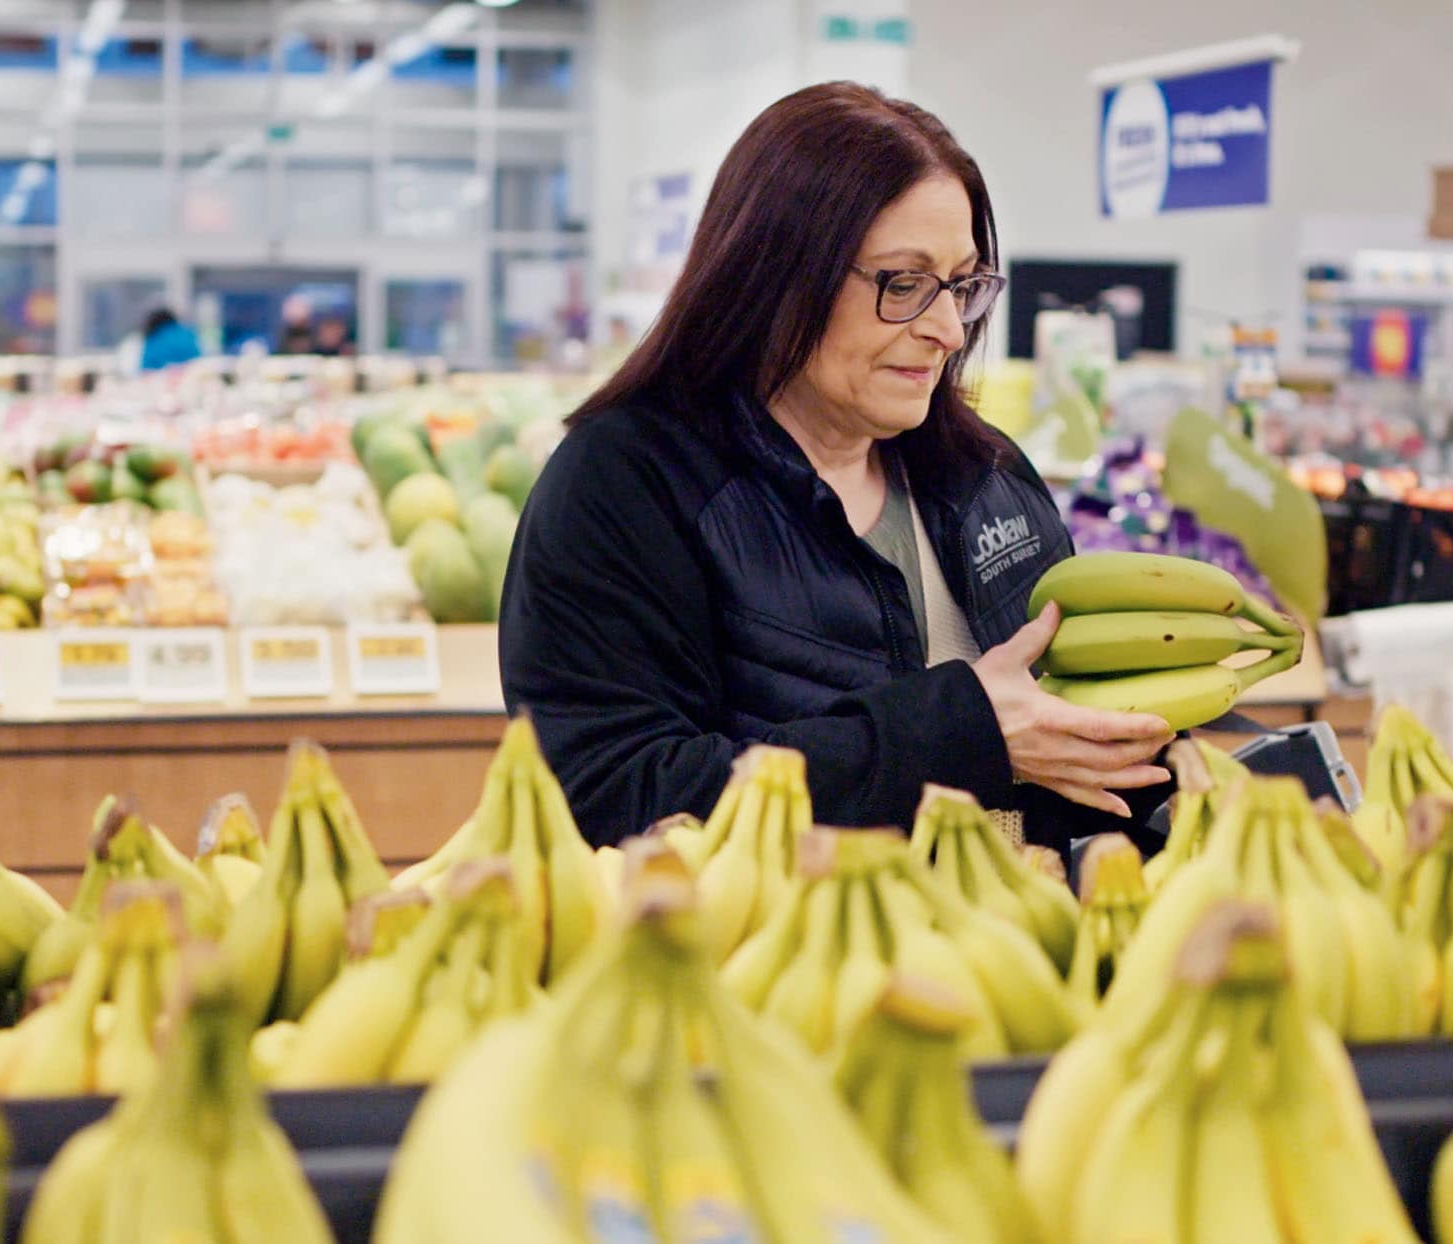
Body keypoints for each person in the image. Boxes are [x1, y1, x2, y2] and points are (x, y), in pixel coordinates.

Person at [499, 82, 1176, 855]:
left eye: (962, 285)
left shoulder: (986, 474)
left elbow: (1062, 733)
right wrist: (959, 736)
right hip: (781, 960)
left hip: (1020, 946)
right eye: (905, 283)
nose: (949, 329)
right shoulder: (625, 488)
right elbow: (611, 793)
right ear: (776, 275)